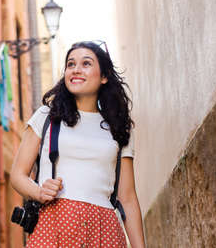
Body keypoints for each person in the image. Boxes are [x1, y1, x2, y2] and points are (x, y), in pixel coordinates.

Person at [10, 41, 146, 247]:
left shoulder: (119, 127)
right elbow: (17, 175)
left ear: (104, 76)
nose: (76, 69)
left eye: (86, 63)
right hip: (53, 224)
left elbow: (127, 198)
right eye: (71, 64)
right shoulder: (47, 116)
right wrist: (39, 192)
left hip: (105, 229)